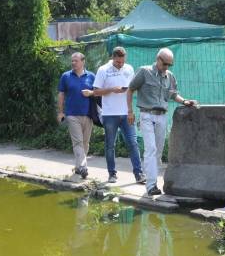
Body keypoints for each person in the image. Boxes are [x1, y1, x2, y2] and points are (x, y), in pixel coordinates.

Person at [127, 48, 197, 196]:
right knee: (151, 149)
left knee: (158, 151)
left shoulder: (169, 76)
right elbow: (130, 89)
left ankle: (152, 180)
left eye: (169, 65)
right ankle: (151, 185)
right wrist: (130, 111)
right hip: (147, 115)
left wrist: (185, 101)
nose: (166, 67)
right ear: (158, 59)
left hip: (162, 116)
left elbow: (173, 95)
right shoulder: (144, 71)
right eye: (165, 63)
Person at [83, 47, 145, 184]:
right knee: (110, 145)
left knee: (133, 143)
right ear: (112, 58)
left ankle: (139, 174)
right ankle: (112, 174)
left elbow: (132, 89)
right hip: (109, 114)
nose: (120, 65)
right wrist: (112, 90)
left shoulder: (129, 68)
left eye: (122, 62)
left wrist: (130, 108)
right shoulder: (103, 70)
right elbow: (96, 92)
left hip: (126, 113)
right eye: (117, 62)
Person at [57, 52, 95, 179]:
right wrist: (61, 112)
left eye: (76, 61)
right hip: (72, 114)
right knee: (77, 142)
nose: (73, 63)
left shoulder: (91, 76)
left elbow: (97, 93)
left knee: (85, 143)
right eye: (72, 61)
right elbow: (61, 94)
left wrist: (91, 93)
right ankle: (84, 167)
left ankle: (78, 167)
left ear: (83, 62)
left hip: (88, 114)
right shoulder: (66, 76)